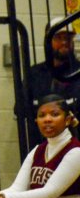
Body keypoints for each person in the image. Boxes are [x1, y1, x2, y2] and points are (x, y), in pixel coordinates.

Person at [26, 18, 79, 146]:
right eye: (58, 38)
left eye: (68, 38)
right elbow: (21, 109)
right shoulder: (34, 74)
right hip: (42, 149)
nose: (64, 42)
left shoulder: (78, 72)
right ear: (48, 41)